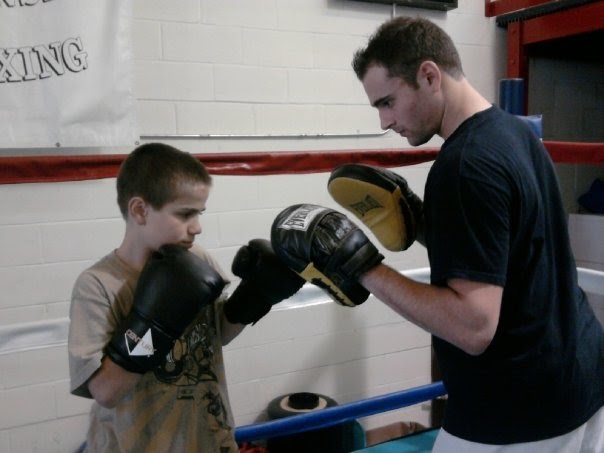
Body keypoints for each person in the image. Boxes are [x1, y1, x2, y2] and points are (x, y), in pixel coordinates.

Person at [270, 16, 604, 452]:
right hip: (582, 387)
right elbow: (514, 248)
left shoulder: (464, 165)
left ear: (429, 75)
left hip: (516, 419)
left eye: (388, 102)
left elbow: (474, 326)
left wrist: (362, 265)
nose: (385, 121)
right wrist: (426, 225)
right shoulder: (515, 134)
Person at [68, 143, 303, 452]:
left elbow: (217, 336)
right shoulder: (98, 284)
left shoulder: (197, 259)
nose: (197, 227)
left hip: (209, 439)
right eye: (185, 214)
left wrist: (255, 297)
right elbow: (106, 391)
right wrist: (154, 323)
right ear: (139, 210)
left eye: (199, 213)